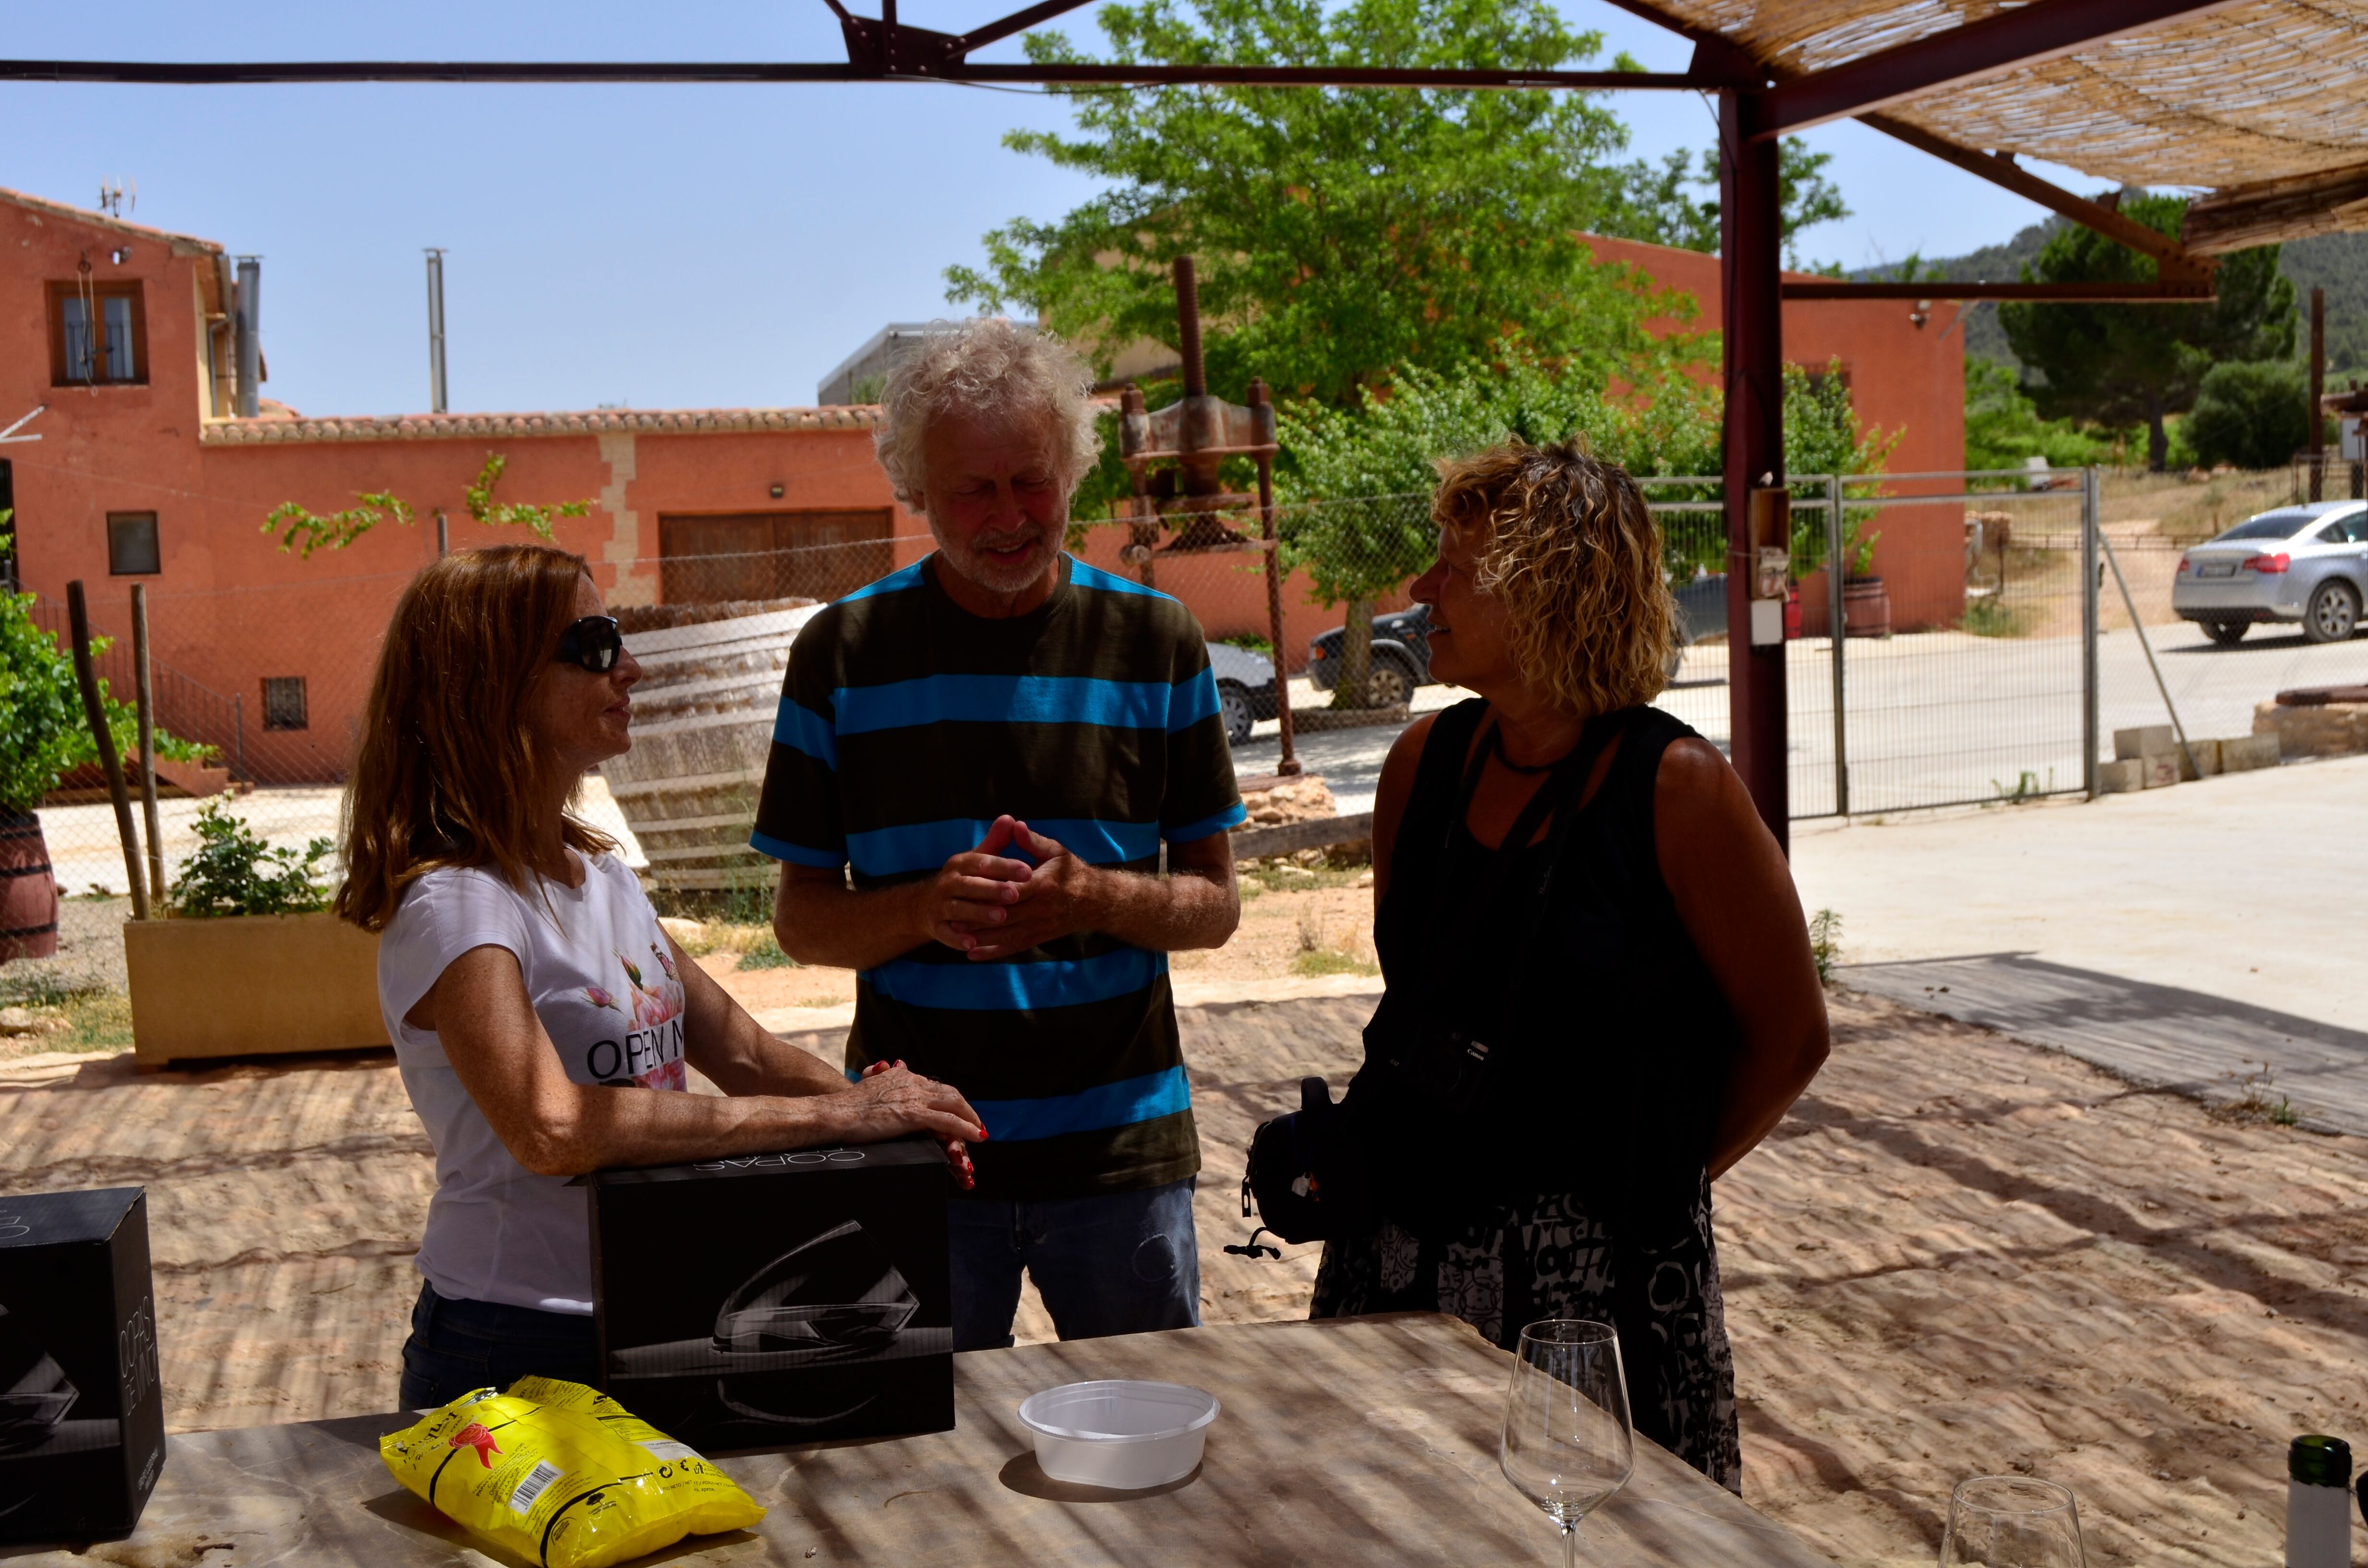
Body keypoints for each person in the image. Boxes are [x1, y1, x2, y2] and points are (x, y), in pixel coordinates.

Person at [338, 544, 984, 1408]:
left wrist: (892, 1123)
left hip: (662, 1300)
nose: (630, 668)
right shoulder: (460, 906)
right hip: (520, 1337)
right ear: (492, 683)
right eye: (595, 645)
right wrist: (839, 1114)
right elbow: (552, 1127)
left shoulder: (599, 876)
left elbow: (744, 1052)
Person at [1308, 440, 1831, 1493]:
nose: (1422, 589)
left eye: (1457, 566)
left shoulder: (1676, 788)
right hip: (1403, 1246)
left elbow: (1789, 1037)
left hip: (1599, 1297)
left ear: (1549, 589)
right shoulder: (1425, 765)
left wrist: (1645, 1187)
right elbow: (1415, 995)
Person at [754, 318, 1245, 1351]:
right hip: (920, 1156)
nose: (1010, 516)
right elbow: (802, 923)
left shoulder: (1157, 642)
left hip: (1120, 1163)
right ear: (916, 490)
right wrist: (924, 907)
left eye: (1033, 481)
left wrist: (1097, 899)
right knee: (921, 1489)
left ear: (1074, 470)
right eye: (973, 490)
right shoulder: (841, 653)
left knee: (1146, 1470)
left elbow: (1215, 904)